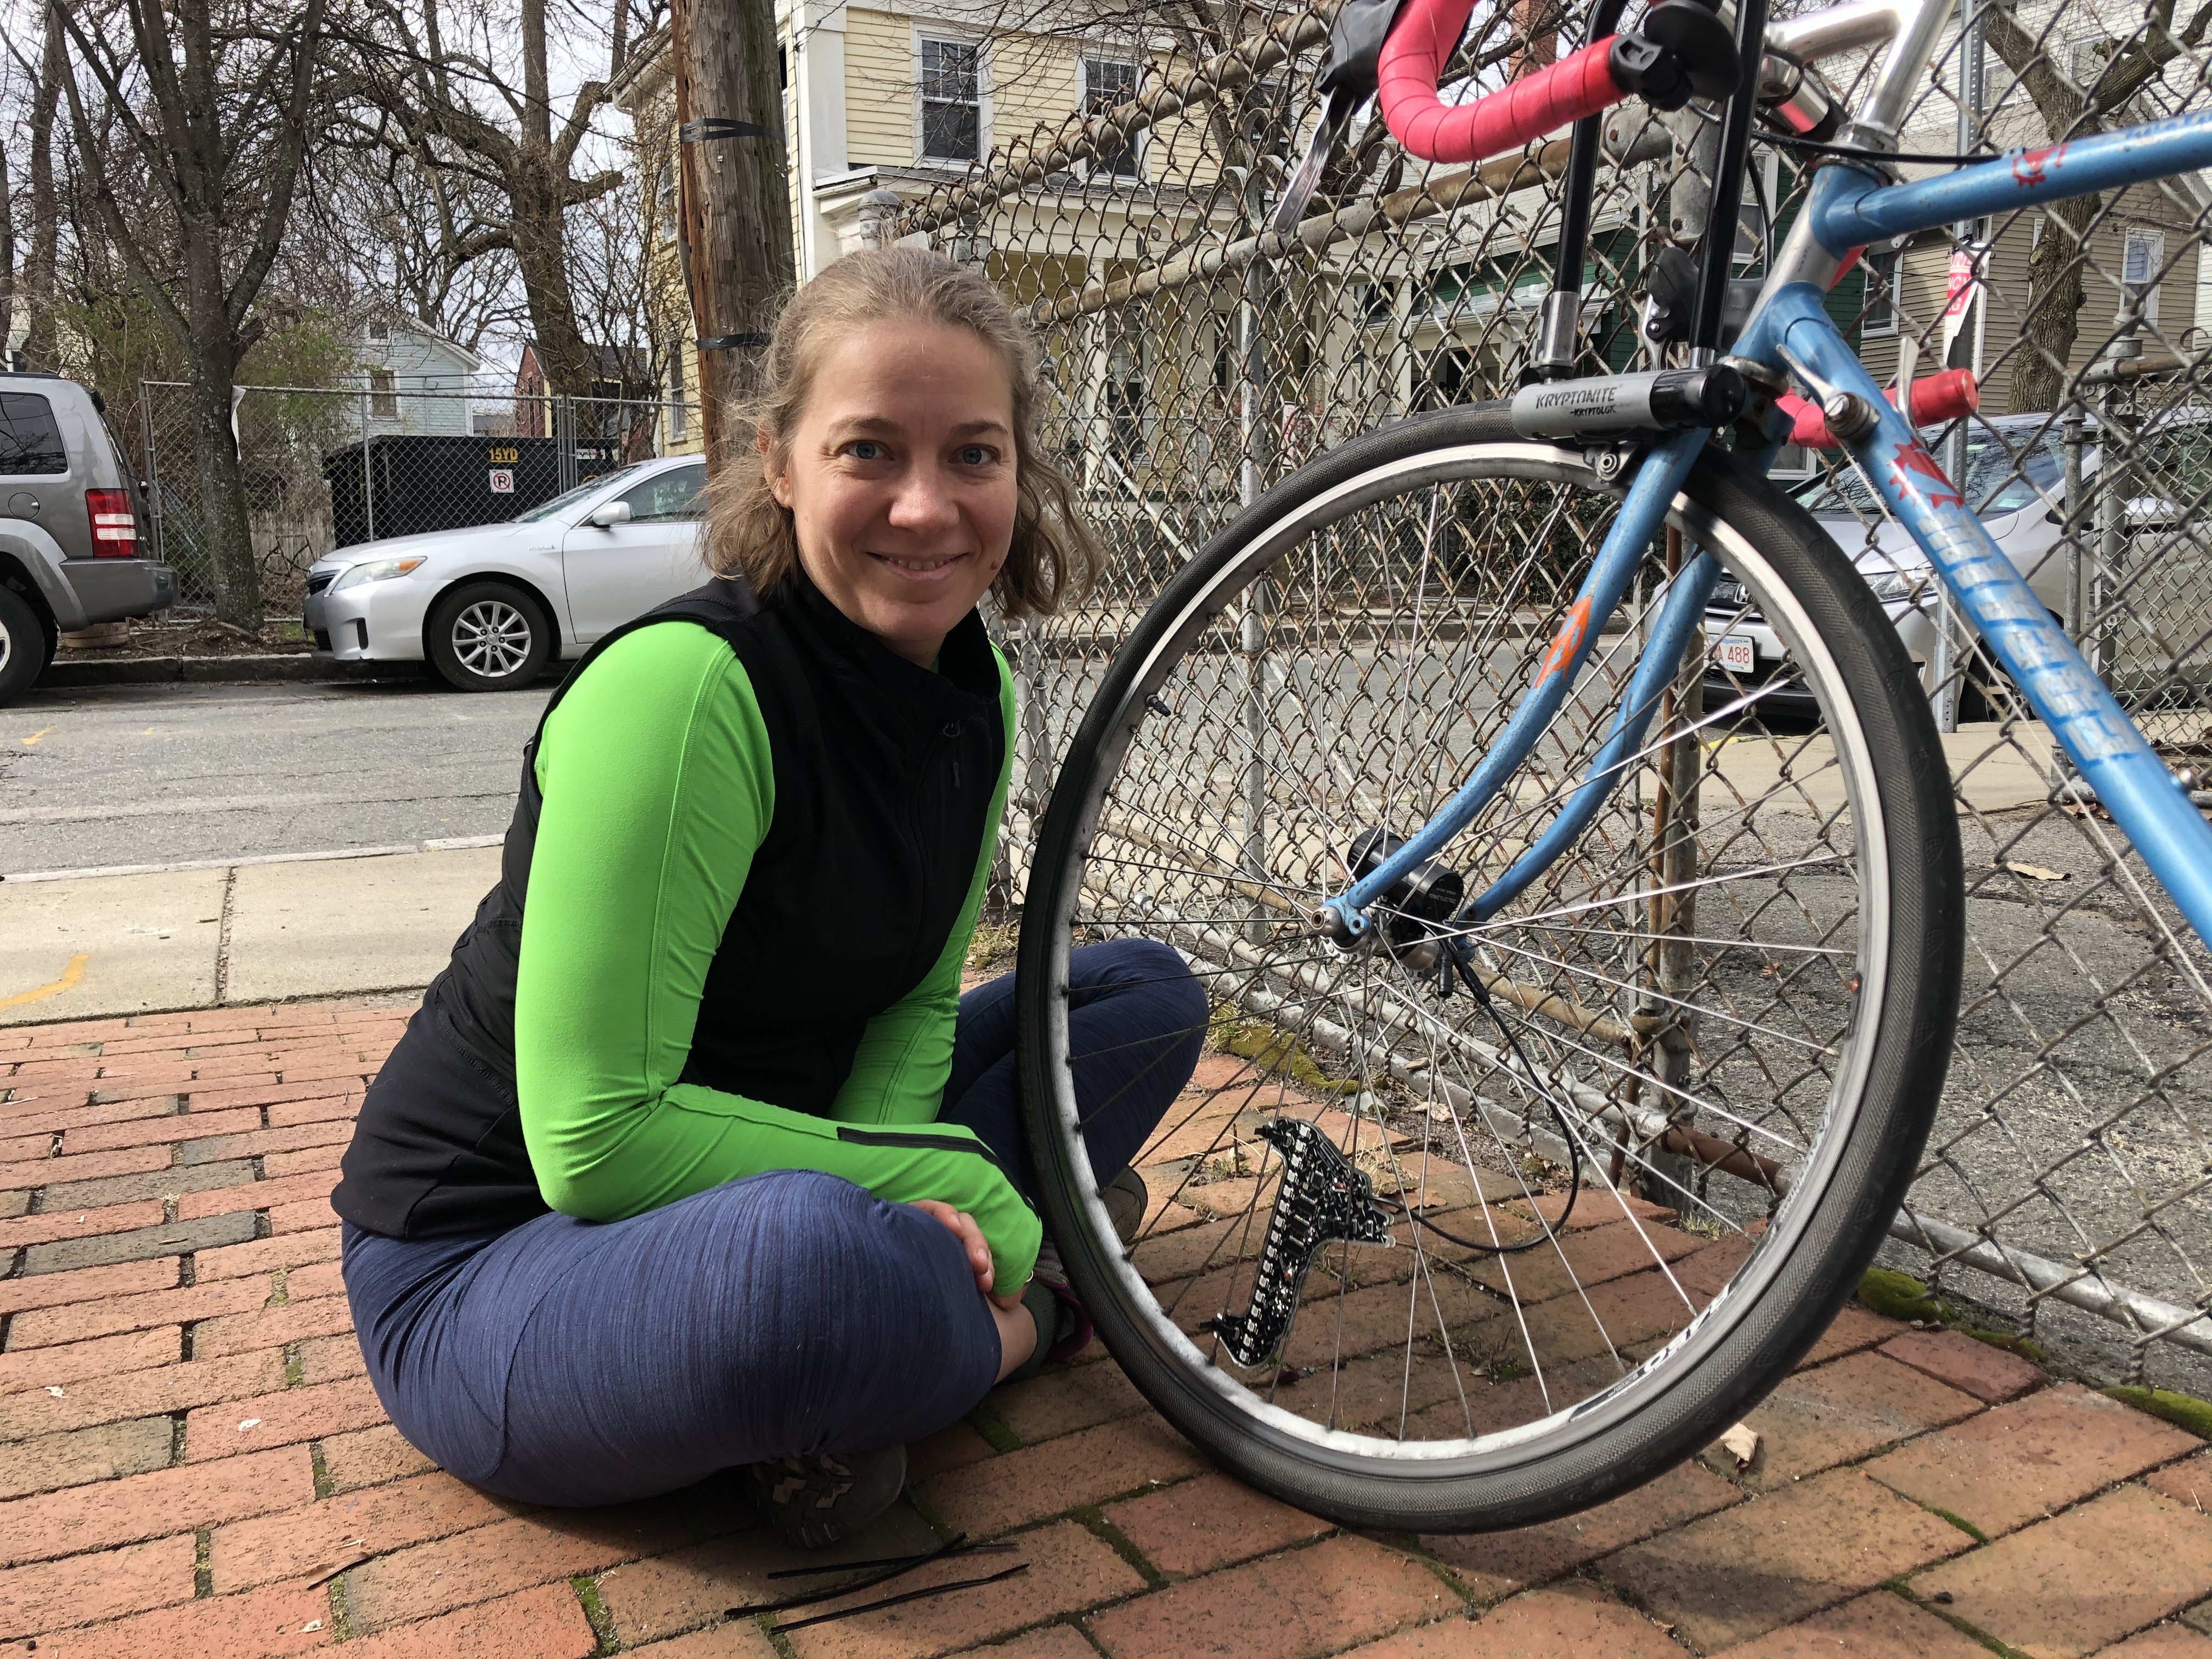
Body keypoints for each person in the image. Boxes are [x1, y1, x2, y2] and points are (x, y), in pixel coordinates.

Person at [332, 248, 1207, 1548]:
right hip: (496, 1255)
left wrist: (902, 1193)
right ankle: (1044, 1315)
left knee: (1139, 998)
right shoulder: (685, 691)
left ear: (1021, 474)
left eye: (973, 454)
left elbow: (915, 1001)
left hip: (772, 1150)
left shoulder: (979, 689)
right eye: (869, 451)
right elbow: (597, 1141)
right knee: (804, 1268)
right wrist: (961, 1201)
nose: (927, 508)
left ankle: (877, 1356)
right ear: (780, 462)